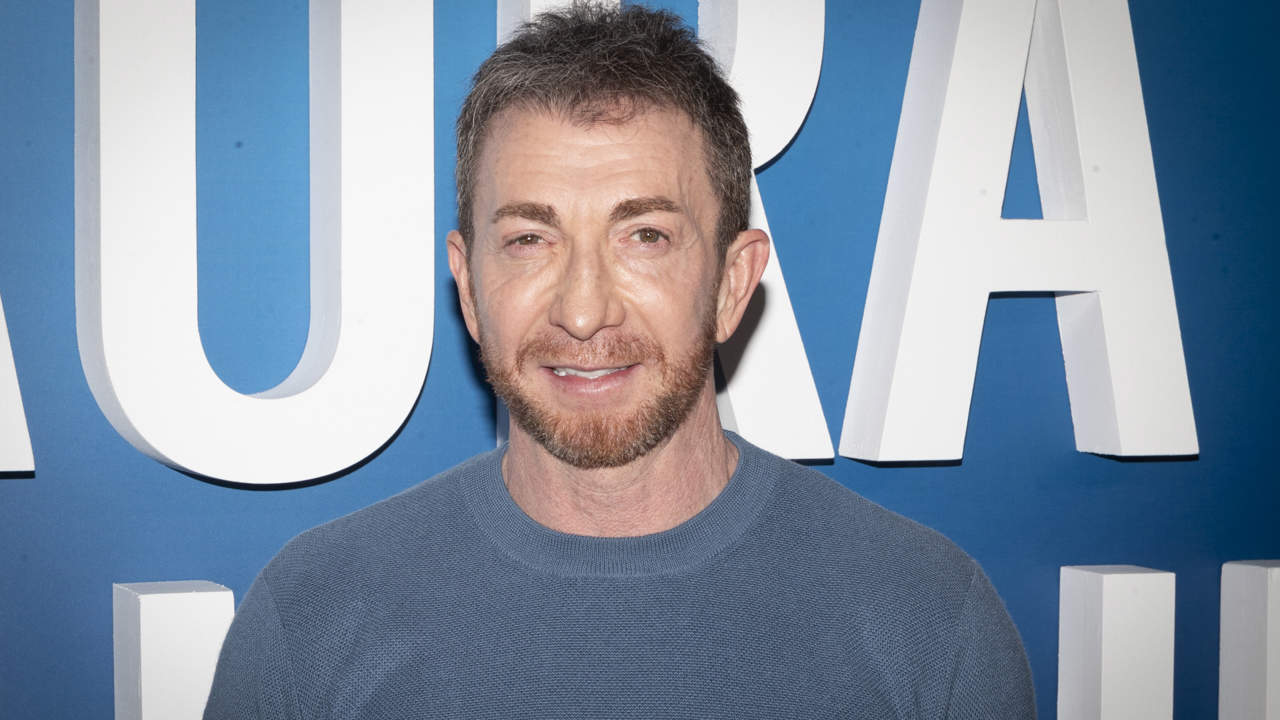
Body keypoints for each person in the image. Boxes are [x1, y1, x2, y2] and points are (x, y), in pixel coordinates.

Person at [205, 3, 1036, 718]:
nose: (582, 310)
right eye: (529, 239)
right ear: (469, 285)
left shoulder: (930, 622)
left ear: (732, 283)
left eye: (645, 236)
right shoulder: (311, 617)